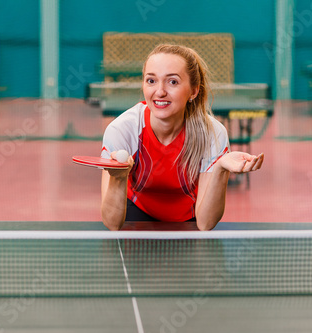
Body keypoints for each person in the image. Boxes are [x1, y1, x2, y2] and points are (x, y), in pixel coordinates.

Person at [100, 44, 264, 230]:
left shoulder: (212, 134)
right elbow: (112, 223)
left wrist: (220, 168)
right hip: (135, 213)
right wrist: (119, 178)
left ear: (194, 91)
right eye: (151, 81)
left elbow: (205, 223)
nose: (160, 91)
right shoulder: (122, 130)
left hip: (188, 220)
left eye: (173, 82)